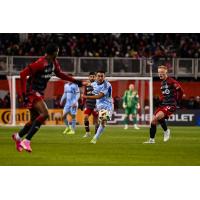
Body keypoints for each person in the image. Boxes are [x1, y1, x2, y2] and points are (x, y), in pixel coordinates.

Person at [12, 43, 84, 152]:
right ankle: (26, 141)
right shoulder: (40, 63)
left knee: (33, 120)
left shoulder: (54, 62)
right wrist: (22, 95)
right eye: (57, 51)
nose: (58, 53)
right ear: (53, 52)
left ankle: (18, 136)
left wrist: (75, 81)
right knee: (45, 114)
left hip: (39, 92)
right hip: (32, 92)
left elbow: (60, 74)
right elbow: (22, 74)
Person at [144, 65, 184, 144]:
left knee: (157, 117)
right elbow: (166, 95)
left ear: (166, 72)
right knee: (153, 122)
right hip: (164, 104)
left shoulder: (171, 81)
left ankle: (166, 131)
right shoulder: (162, 83)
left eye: (162, 72)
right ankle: (152, 139)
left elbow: (181, 91)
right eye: (159, 72)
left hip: (171, 104)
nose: (160, 74)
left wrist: (177, 101)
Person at [82, 70, 113, 144]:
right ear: (96, 77)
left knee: (103, 122)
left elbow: (100, 96)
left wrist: (86, 96)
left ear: (104, 77)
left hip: (107, 105)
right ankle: (93, 136)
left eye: (102, 76)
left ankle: (95, 138)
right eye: (98, 76)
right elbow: (87, 85)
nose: (100, 78)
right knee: (102, 121)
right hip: (99, 105)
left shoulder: (107, 85)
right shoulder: (94, 84)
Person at [82, 72, 99, 138]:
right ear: (89, 77)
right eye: (91, 76)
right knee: (85, 118)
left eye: (93, 76)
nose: (92, 78)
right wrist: (82, 103)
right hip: (88, 104)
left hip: (95, 105)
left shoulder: (98, 85)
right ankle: (88, 132)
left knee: (96, 119)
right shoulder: (87, 85)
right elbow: (84, 94)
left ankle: (96, 134)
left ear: (95, 77)